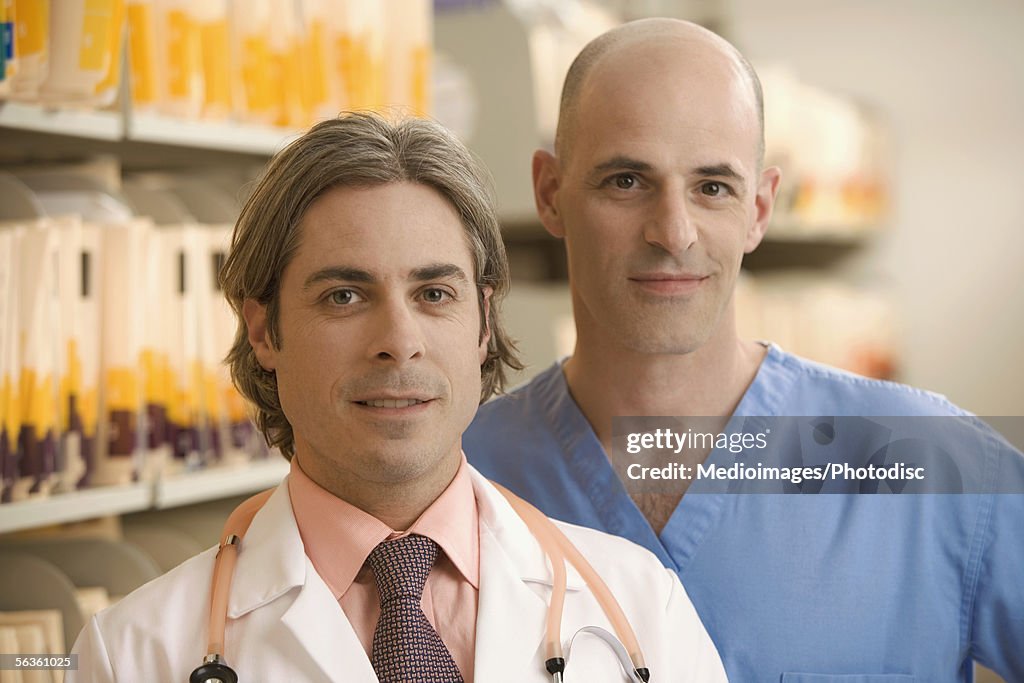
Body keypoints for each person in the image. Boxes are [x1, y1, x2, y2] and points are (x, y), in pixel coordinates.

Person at [66, 112, 727, 682]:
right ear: (264, 330)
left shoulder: (640, 606)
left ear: (483, 325)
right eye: (345, 295)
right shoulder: (134, 652)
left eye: (434, 294)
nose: (398, 341)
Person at [464, 18, 1024, 682]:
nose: (673, 231)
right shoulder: (463, 472)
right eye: (626, 181)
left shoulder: (931, 463)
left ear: (759, 208)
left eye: (712, 187)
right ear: (550, 193)